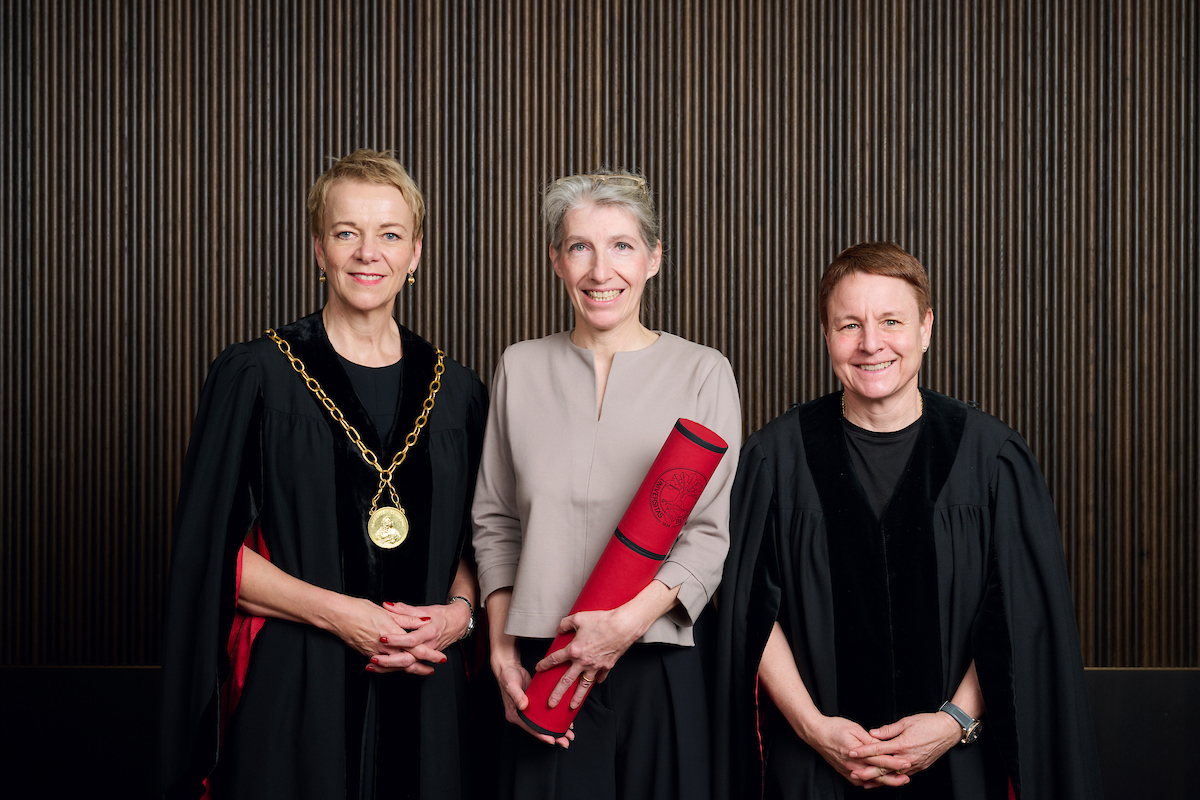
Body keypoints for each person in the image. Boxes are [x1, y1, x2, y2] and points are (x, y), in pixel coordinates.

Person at [713, 242, 1101, 799]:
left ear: (925, 327)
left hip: (961, 770)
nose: (871, 344)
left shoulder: (991, 459)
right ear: (826, 335)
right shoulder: (776, 459)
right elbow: (749, 611)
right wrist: (814, 730)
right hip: (813, 770)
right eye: (849, 325)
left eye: (890, 321)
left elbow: (1018, 614)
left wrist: (952, 724)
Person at [159, 150, 488, 800]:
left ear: (416, 253)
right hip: (297, 684)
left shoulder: (458, 393)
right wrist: (344, 615)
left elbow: (481, 543)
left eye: (390, 235)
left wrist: (458, 614)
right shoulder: (256, 377)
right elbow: (210, 556)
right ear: (318, 248)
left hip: (428, 689)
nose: (369, 253)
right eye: (347, 233)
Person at [471, 170, 741, 800]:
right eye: (579, 247)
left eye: (621, 246)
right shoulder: (519, 367)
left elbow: (708, 535)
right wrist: (502, 651)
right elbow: (496, 522)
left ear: (653, 259)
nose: (600, 270)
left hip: (657, 660)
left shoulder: (703, 372)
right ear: (556, 261)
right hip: (543, 665)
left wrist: (621, 626)